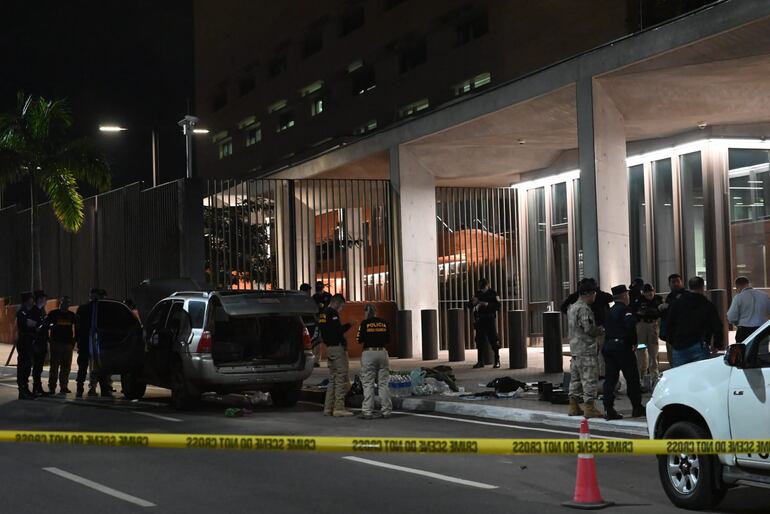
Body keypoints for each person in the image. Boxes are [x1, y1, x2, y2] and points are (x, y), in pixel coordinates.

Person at [602, 285, 644, 420]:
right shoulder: (626, 310)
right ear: (624, 296)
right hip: (623, 347)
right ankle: (637, 407)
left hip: (609, 346)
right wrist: (633, 343)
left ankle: (608, 409)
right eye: (627, 294)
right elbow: (630, 327)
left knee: (610, 379)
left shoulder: (609, 311)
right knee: (632, 378)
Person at [666, 276, 724, 367]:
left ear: (689, 287)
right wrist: (717, 344)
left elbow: (669, 322)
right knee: (700, 376)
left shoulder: (677, 302)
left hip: (679, 344)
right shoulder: (707, 304)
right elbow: (717, 325)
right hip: (699, 344)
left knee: (680, 376)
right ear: (702, 287)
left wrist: (672, 340)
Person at [561, 277, 613, 377]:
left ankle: (595, 375)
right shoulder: (585, 306)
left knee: (579, 361)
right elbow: (589, 329)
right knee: (598, 355)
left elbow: (563, 307)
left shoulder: (575, 302)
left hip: (578, 339)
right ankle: (601, 375)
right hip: (595, 330)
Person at [566, 283, 604, 419]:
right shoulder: (584, 309)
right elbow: (588, 329)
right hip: (586, 349)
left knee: (575, 379)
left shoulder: (572, 308)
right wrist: (600, 330)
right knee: (589, 379)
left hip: (575, 349)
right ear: (588, 294)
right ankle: (590, 407)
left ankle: (573, 406)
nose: (595, 296)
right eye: (594, 293)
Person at [318, 294, 354, 417]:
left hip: (329, 348)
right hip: (337, 349)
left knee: (333, 379)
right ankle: (339, 408)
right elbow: (338, 330)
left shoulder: (322, 313)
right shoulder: (332, 313)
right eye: (341, 306)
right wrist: (350, 325)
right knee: (340, 378)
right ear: (337, 303)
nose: (341, 309)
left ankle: (328, 408)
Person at [356, 304, 392, 420]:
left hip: (369, 353)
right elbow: (388, 339)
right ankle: (386, 411)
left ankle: (367, 411)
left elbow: (359, 340)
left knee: (368, 383)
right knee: (383, 383)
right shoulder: (384, 323)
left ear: (366, 312)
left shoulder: (364, 323)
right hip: (382, 353)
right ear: (376, 312)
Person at [76, 288, 112, 398]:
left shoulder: (85, 309)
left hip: (93, 342)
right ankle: (84, 389)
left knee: (97, 366)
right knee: (91, 366)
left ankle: (83, 389)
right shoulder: (100, 309)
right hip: (90, 343)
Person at [46, 296, 77, 395]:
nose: (66, 304)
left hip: (67, 343)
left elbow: (77, 327)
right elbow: (46, 325)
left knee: (66, 366)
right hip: (56, 343)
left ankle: (64, 386)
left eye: (68, 303)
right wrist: (49, 338)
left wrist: (74, 340)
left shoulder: (72, 315)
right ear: (60, 302)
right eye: (64, 302)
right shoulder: (53, 313)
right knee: (54, 366)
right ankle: (52, 387)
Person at [468, 278, 501, 368]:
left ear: (487, 285)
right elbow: (470, 305)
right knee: (479, 340)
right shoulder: (478, 294)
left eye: (483, 287)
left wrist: (487, 305)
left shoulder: (493, 293)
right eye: (481, 288)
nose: (482, 290)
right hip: (480, 319)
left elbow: (498, 306)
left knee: (493, 339)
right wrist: (473, 302)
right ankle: (480, 361)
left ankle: (497, 360)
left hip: (490, 318)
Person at [635, 284, 663, 389]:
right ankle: (640, 378)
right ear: (644, 292)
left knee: (653, 354)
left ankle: (654, 378)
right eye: (647, 292)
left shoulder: (658, 299)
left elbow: (661, 312)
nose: (650, 294)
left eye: (651, 291)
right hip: (642, 328)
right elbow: (636, 312)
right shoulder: (639, 300)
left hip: (653, 327)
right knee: (641, 352)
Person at [727, 276, 770, 343]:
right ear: (748, 284)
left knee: (744, 351)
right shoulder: (764, 295)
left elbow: (731, 317)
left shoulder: (738, 298)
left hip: (745, 331)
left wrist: (736, 323)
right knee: (762, 352)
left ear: (738, 286)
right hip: (762, 329)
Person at [658, 273, 686, 361]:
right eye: (673, 282)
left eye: (678, 281)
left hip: (684, 333)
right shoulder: (670, 296)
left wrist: (668, 306)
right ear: (669, 284)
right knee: (672, 359)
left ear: (682, 282)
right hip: (671, 335)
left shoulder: (687, 295)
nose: (676, 284)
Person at [15, 292, 38, 400]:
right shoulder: (22, 310)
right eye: (31, 298)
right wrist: (32, 324)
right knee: (23, 365)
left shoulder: (27, 310)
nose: (33, 300)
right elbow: (23, 323)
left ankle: (25, 388)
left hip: (28, 340)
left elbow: (31, 323)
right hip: (24, 340)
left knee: (28, 365)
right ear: (27, 300)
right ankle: (22, 390)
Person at [30, 290, 50, 397]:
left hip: (42, 342)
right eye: (43, 298)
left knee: (39, 367)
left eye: (45, 298)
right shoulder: (34, 311)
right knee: (37, 367)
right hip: (36, 343)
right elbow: (34, 327)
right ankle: (35, 389)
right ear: (38, 299)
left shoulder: (42, 311)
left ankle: (38, 388)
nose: (45, 300)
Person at [299, 283, 321, 368]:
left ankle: (315, 361)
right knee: (308, 342)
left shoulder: (310, 299)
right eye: (308, 290)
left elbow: (314, 311)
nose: (309, 292)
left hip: (310, 323)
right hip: (305, 324)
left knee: (316, 342)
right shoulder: (301, 300)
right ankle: (310, 360)